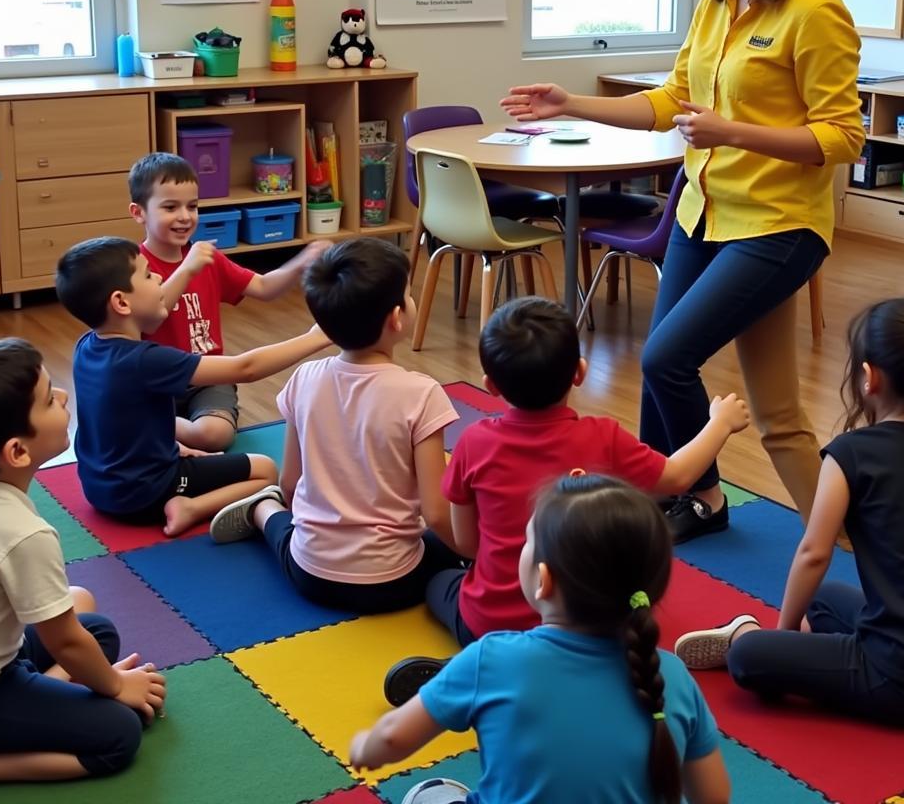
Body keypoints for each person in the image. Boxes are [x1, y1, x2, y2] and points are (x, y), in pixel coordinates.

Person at [501, 0, 864, 543]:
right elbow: (670, 102)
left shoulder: (814, 10)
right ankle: (836, 538)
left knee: (668, 359)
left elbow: (842, 138)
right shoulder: (719, 0)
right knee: (780, 415)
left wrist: (734, 132)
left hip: (777, 225)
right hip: (704, 212)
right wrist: (568, 102)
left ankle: (697, 493)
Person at [383, 296, 748, 702]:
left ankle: (485, 668)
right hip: (588, 625)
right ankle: (546, 667)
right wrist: (720, 425)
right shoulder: (603, 437)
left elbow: (468, 545)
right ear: (580, 373)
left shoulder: (475, 443)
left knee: (439, 579)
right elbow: (678, 475)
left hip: (491, 621)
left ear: (490, 385)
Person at [350, 474, 731, 804]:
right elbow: (713, 796)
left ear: (543, 579)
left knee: (425, 794)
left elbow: (394, 737)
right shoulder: (673, 676)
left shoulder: (493, 659)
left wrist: (364, 748)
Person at [674, 298, 904, 727]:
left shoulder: (851, 455)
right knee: (827, 598)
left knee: (750, 658)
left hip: (901, 679)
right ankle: (808, 649)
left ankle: (756, 638)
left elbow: (814, 554)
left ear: (868, 377)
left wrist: (780, 634)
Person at [0, 338, 166, 797]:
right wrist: (117, 686)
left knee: (97, 629)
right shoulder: (20, 532)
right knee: (120, 732)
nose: (62, 397)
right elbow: (65, 642)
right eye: (48, 397)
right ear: (17, 451)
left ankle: (34, 696)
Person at [207, 238, 466, 615]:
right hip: (393, 582)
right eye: (408, 296)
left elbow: (291, 483)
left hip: (309, 574)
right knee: (459, 554)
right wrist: (472, 553)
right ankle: (264, 513)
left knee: (284, 531)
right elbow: (438, 514)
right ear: (396, 318)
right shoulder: (422, 394)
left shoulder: (304, 378)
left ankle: (261, 511)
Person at [54, 236, 330, 537]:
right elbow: (244, 368)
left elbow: (117, 424)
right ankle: (190, 508)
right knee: (265, 470)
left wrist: (176, 447)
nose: (160, 277)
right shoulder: (144, 360)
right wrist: (317, 337)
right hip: (144, 493)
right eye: (148, 275)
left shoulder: (87, 347)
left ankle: (178, 471)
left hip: (98, 489)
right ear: (121, 302)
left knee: (207, 454)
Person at [129, 152, 329, 451]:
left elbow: (262, 287)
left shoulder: (205, 257)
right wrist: (187, 269)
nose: (185, 216)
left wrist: (299, 262)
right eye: (170, 207)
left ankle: (153, 425)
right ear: (139, 213)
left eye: (192, 206)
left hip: (208, 376)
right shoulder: (136, 267)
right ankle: (150, 421)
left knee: (215, 435)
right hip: (155, 381)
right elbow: (151, 317)